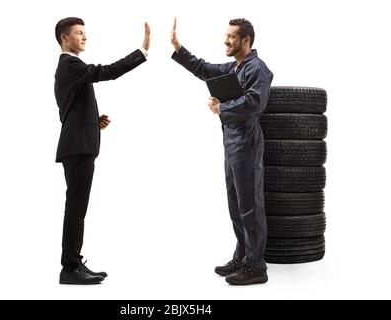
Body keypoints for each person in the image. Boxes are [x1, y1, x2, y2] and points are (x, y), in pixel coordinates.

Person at [170, 17, 273, 285]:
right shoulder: (233, 67)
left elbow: (255, 102)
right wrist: (178, 48)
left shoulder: (258, 69)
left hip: (247, 143)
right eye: (226, 36)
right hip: (231, 143)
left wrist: (222, 108)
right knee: (236, 204)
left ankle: (256, 266)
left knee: (250, 205)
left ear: (245, 40)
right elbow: (204, 68)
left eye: (231, 36)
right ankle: (242, 256)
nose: (225, 40)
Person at [54, 17, 150, 285]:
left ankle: (72, 264)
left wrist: (94, 124)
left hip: (79, 143)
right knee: (76, 208)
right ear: (64, 38)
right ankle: (70, 267)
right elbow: (106, 71)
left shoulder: (68, 68)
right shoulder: (71, 64)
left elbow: (70, 110)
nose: (85, 37)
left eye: (85, 33)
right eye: (79, 33)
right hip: (78, 148)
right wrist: (141, 52)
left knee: (77, 207)